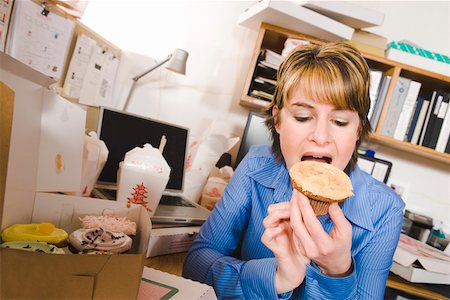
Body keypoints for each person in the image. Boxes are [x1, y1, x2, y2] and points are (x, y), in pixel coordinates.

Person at [182, 42, 405, 299]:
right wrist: (277, 278)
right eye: (302, 117)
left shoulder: (386, 210)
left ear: (357, 131)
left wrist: (337, 271)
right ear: (278, 120)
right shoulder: (256, 165)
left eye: (340, 121)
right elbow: (197, 262)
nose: (320, 137)